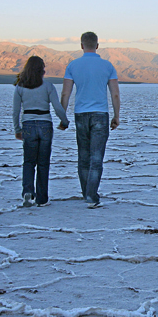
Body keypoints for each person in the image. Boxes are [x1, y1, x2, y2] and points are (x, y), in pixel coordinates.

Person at [61, 31, 121, 208]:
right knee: (96, 157)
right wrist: (117, 115)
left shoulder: (73, 65)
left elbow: (66, 93)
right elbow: (115, 93)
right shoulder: (107, 65)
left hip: (80, 114)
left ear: (81, 46)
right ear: (97, 45)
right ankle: (91, 196)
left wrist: (63, 116)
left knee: (83, 156)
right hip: (100, 114)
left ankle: (86, 192)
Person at [13, 55, 69, 207]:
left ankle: (27, 192)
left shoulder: (20, 87)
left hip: (28, 125)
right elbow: (57, 107)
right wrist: (64, 121)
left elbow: (16, 111)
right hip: (45, 124)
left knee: (29, 161)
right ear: (42, 70)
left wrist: (17, 129)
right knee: (43, 163)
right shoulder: (48, 86)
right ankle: (42, 198)